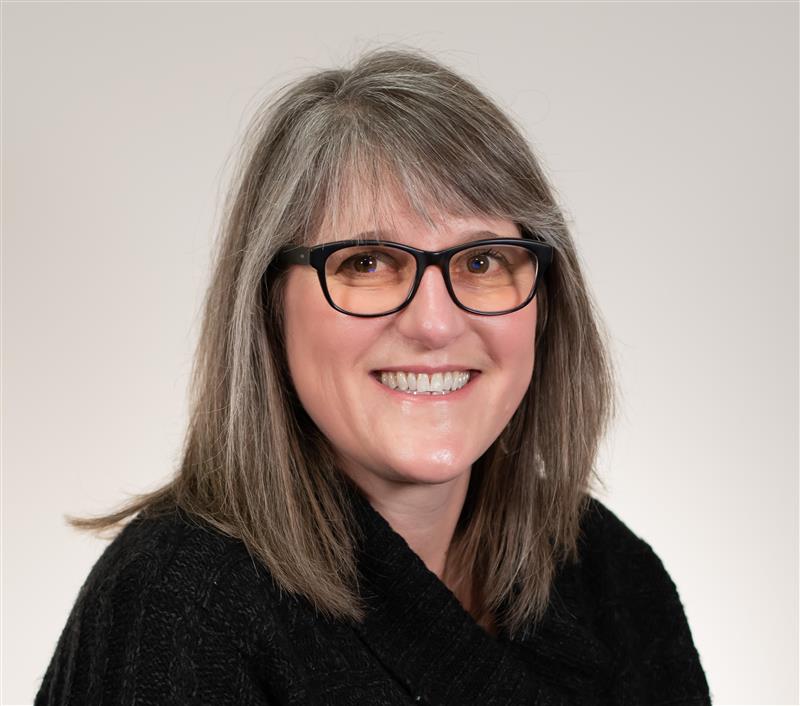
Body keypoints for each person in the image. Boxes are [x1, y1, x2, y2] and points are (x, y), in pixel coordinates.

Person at [34, 47, 712, 705]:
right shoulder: (178, 605)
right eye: (364, 263)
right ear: (269, 305)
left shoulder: (612, 580)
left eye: (481, 262)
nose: (434, 324)